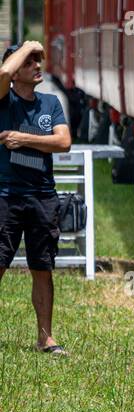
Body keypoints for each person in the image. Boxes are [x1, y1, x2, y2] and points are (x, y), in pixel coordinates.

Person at [0, 40, 72, 354]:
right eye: (29, 62)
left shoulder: (50, 103)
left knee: (42, 267)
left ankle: (46, 338)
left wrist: (22, 138)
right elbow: (3, 70)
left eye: (38, 61)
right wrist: (26, 44)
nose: (37, 66)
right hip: (5, 195)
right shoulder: (3, 100)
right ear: (16, 71)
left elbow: (63, 142)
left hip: (43, 196)